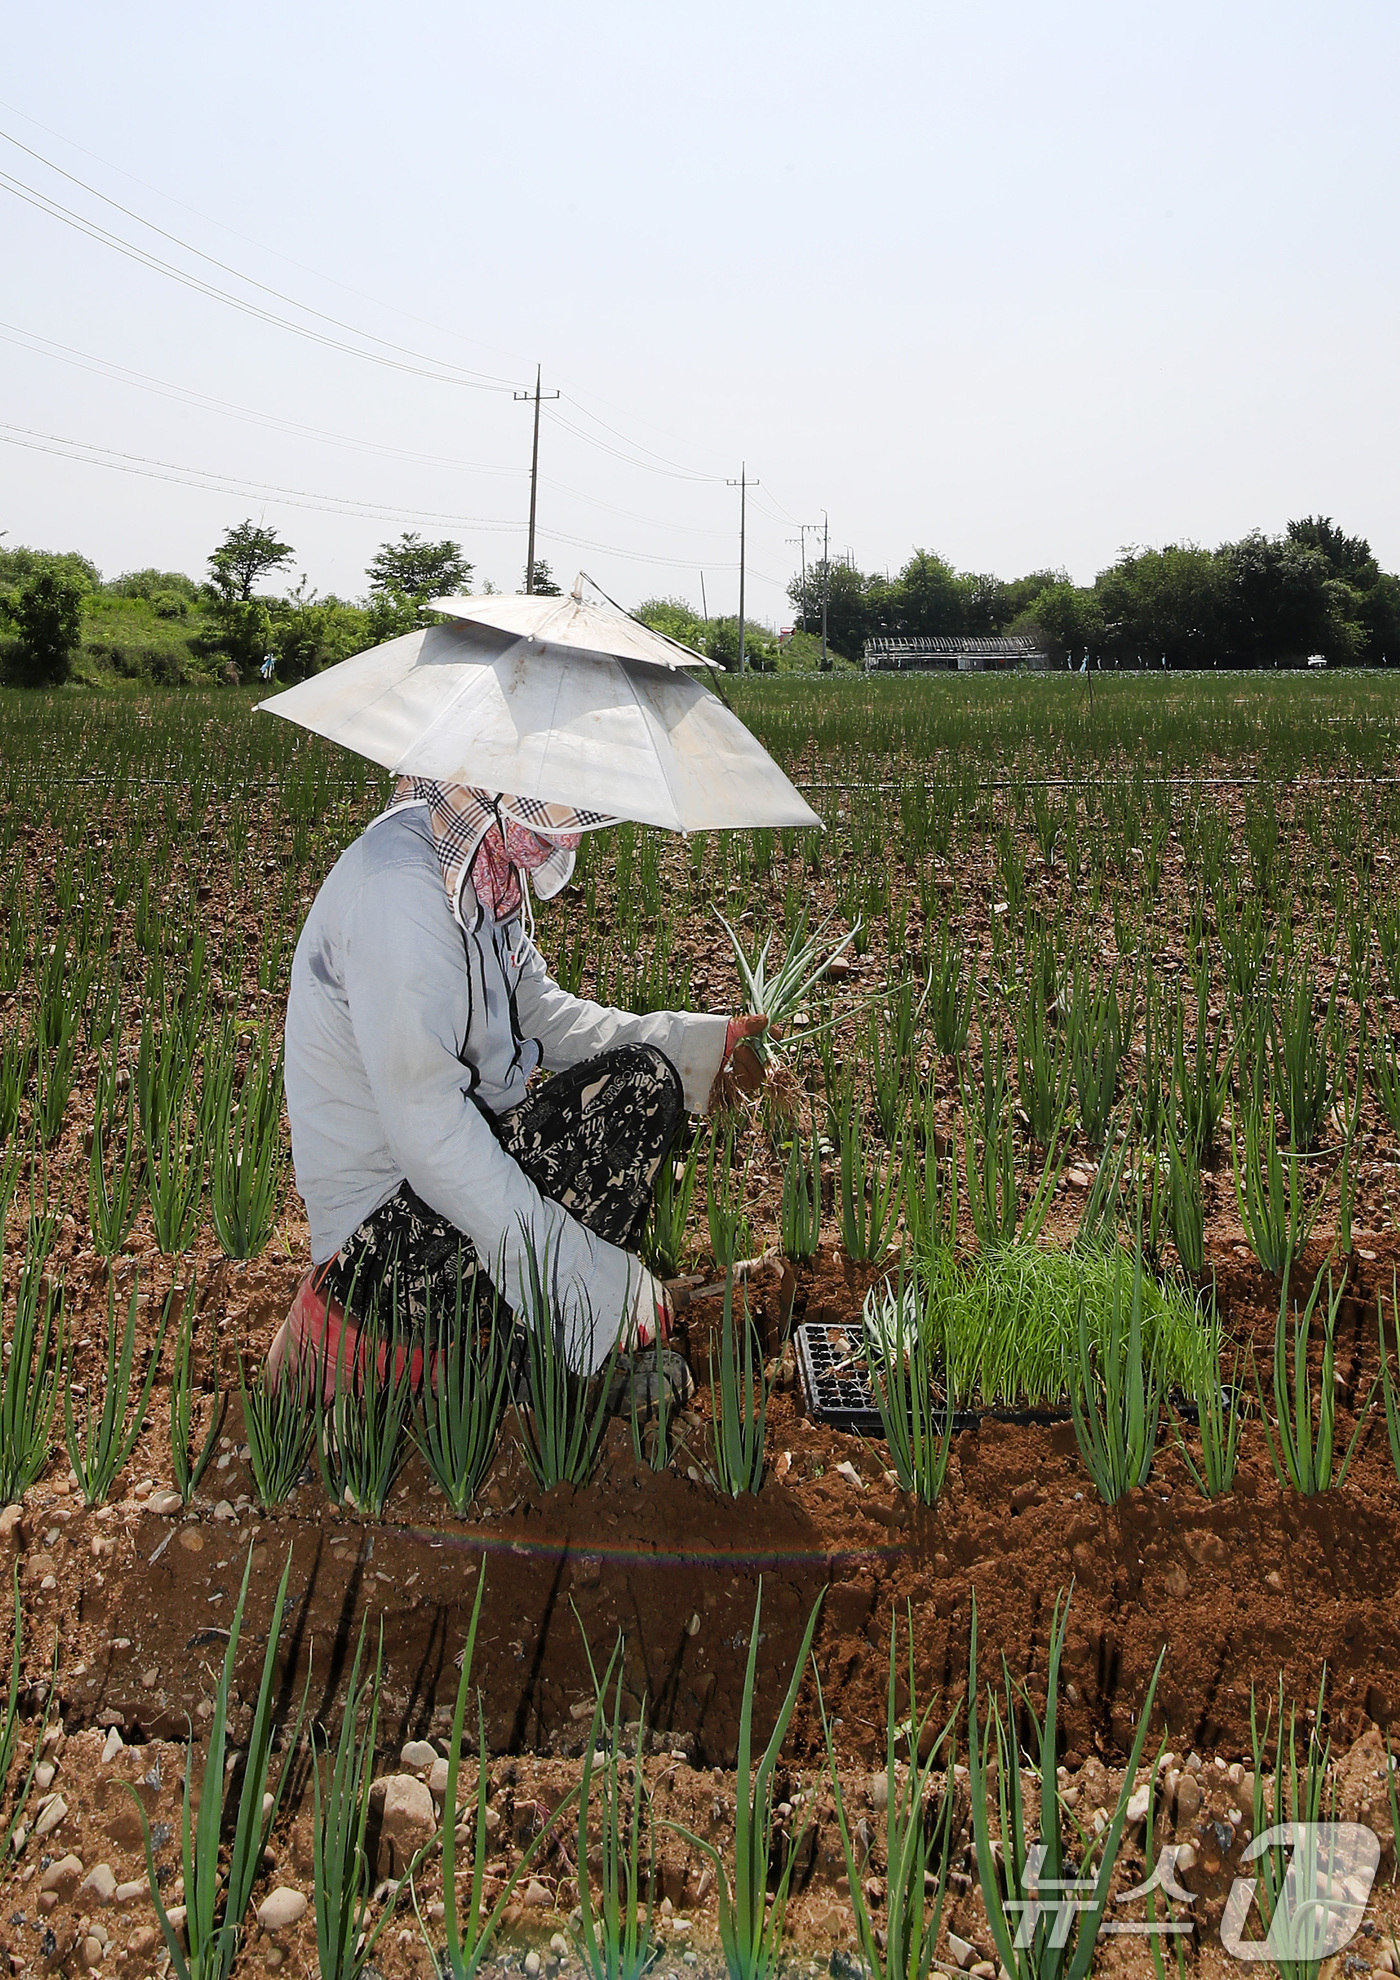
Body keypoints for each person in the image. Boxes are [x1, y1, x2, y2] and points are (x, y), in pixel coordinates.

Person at [270, 776, 766, 1393]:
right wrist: (580, 1278)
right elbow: (429, 1132)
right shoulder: (399, 892)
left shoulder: (482, 871)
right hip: (382, 1247)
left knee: (643, 1086)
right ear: (495, 778)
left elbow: (541, 1013)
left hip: (442, 1199)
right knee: (635, 1090)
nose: (574, 830)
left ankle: (544, 1341)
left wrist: (698, 1046)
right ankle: (547, 1365)